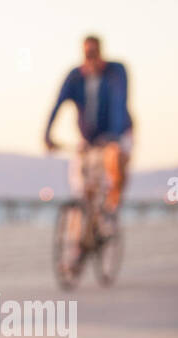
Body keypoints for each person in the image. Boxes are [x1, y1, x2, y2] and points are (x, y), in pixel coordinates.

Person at [44, 35, 133, 212]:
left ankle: (113, 206)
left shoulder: (115, 72)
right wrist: (47, 134)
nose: (91, 58)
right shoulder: (75, 77)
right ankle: (83, 228)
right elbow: (58, 104)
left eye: (94, 53)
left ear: (101, 52)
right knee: (81, 180)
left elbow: (119, 103)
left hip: (118, 132)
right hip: (89, 138)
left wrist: (114, 136)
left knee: (115, 159)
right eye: (87, 53)